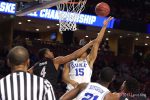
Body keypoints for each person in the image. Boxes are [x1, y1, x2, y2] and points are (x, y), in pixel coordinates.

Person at [62, 16, 114, 91]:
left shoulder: (89, 61)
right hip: (70, 91)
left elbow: (97, 42)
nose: (83, 51)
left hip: (83, 93)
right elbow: (64, 78)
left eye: (85, 51)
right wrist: (71, 82)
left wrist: (104, 26)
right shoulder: (69, 63)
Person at [28, 41, 94, 91]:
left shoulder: (35, 66)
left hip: (37, 90)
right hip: (49, 90)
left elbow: (26, 72)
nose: (52, 52)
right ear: (46, 55)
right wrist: (89, 44)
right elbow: (74, 55)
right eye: (50, 51)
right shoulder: (55, 61)